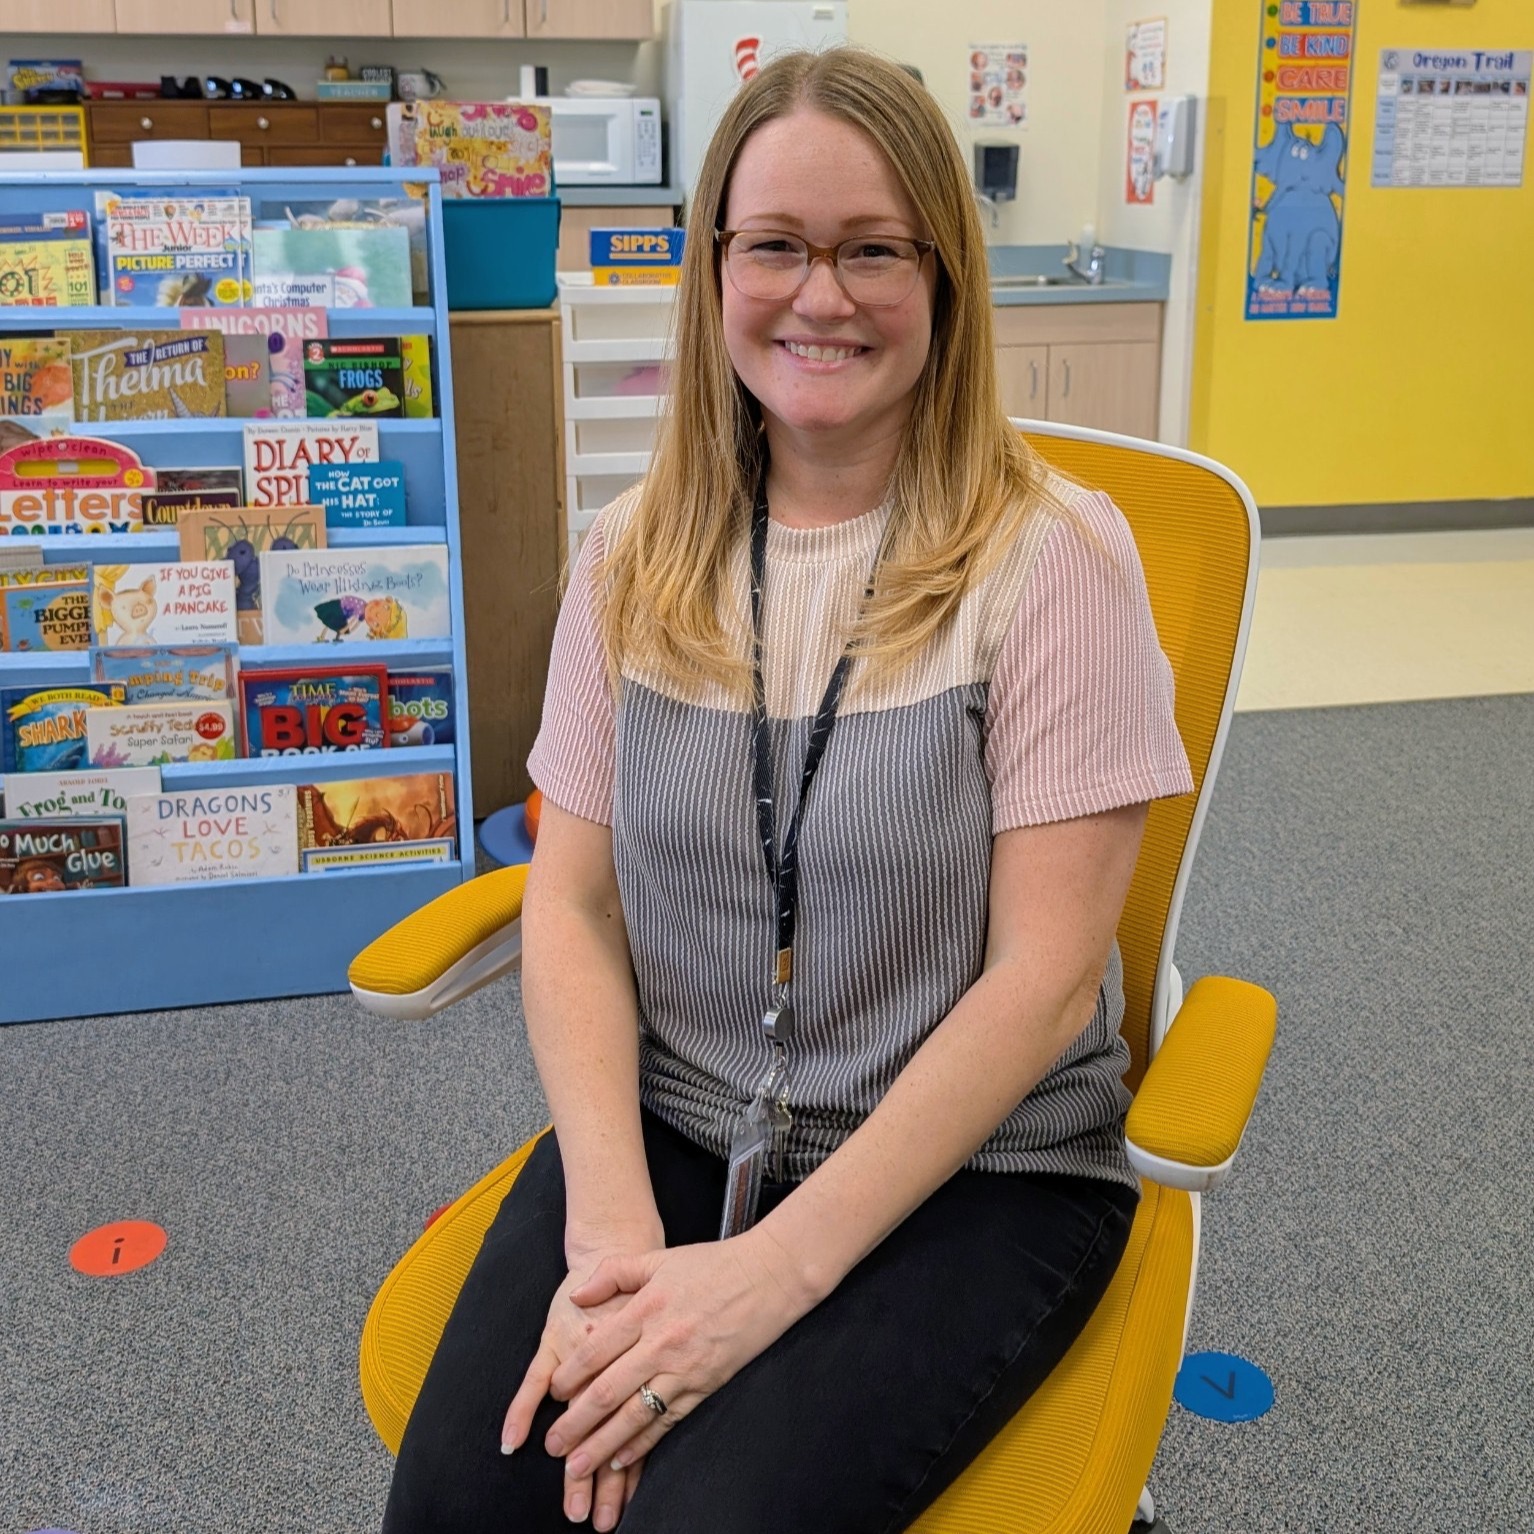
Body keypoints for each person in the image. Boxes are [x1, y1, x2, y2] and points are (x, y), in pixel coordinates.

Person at [382, 46, 1192, 1534]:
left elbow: (1044, 974)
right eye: (774, 246)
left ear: (943, 278)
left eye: (874, 249)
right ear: (713, 272)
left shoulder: (1051, 559)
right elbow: (566, 896)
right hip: (682, 1115)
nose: (820, 296)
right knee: (455, 1508)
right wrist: (613, 1225)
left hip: (977, 1163)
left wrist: (771, 1274)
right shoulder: (632, 551)